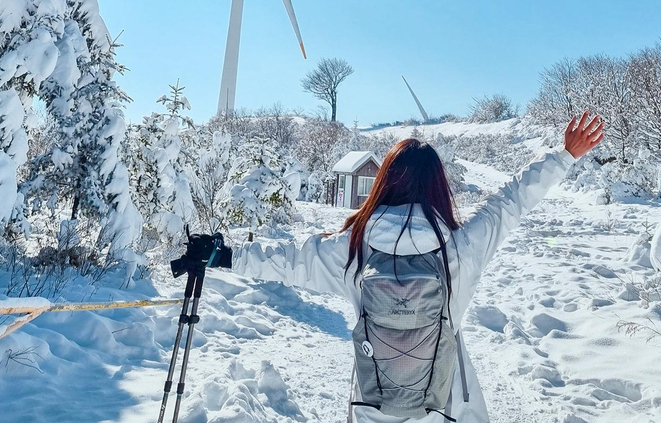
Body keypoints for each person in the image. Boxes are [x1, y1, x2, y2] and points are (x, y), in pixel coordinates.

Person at [228, 111, 604, 423]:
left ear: (383, 182)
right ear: (439, 186)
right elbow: (511, 202)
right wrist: (564, 155)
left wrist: (225, 256)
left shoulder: (354, 246)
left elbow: (290, 259)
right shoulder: (460, 248)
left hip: (371, 407)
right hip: (441, 408)